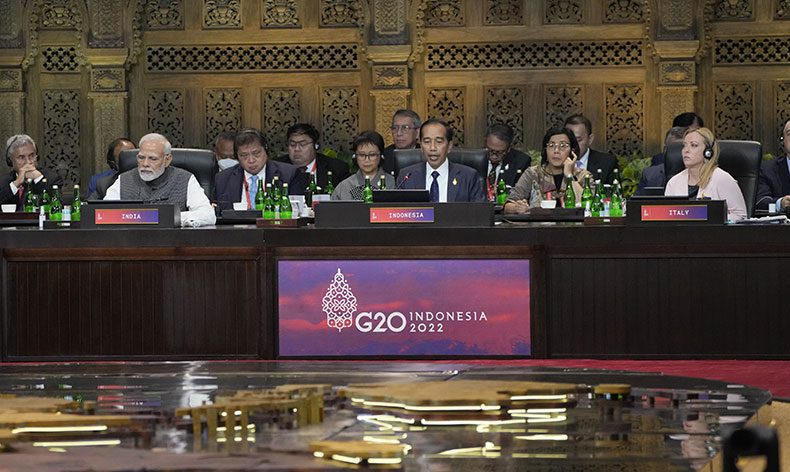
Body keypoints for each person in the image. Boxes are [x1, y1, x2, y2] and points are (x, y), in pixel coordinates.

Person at [104, 133, 216, 227]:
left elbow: (208, 215)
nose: (145, 164)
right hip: (131, 241)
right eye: (141, 158)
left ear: (167, 160)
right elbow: (104, 213)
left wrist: (166, 217)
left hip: (173, 242)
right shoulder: (124, 179)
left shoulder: (185, 179)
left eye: (152, 159)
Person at [664, 127, 747, 221]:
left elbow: (741, 216)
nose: (686, 150)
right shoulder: (674, 182)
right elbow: (667, 217)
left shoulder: (722, 179)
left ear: (708, 152)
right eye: (684, 145)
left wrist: (709, 217)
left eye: (693, 145)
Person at [395, 118, 484, 202]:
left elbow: (478, 211)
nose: (432, 148)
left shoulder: (469, 177)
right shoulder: (406, 177)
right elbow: (398, 210)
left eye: (439, 142)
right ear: (421, 146)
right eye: (427, 142)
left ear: (449, 146)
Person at [214, 128, 306, 210]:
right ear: (237, 157)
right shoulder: (223, 179)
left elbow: (297, 211)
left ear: (266, 150)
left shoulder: (288, 174)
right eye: (244, 155)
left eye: (256, 153)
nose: (251, 160)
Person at [503, 127, 587, 214]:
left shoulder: (583, 176)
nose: (556, 151)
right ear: (545, 150)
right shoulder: (533, 173)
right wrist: (517, 208)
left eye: (562, 146)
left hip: (573, 223)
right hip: (539, 223)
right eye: (551, 145)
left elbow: (589, 206)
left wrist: (569, 175)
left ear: (572, 152)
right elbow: (508, 205)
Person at [276, 123, 349, 192]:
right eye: (292, 144)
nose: (297, 149)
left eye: (303, 144)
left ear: (315, 145)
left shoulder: (337, 169)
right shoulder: (275, 167)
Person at [1, 134, 63, 209]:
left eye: (32, 156)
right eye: (21, 157)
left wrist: (39, 180)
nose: (28, 162)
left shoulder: (52, 179)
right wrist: (16, 183)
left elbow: (57, 207)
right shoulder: (4, 182)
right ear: (10, 161)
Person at [332, 131, 395, 200]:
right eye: (362, 155)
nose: (367, 160)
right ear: (355, 156)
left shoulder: (392, 183)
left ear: (381, 155)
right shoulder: (345, 186)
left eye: (372, 155)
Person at [564, 114, 618, 184]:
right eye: (568, 140)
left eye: (578, 140)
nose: (573, 144)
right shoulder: (557, 161)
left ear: (590, 139)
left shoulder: (607, 162)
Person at [484, 123, 530, 200]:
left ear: (508, 148)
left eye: (499, 152)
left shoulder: (521, 162)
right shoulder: (475, 160)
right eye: (491, 151)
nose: (494, 156)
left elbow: (521, 193)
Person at [635, 126, 686, 195]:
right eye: (674, 149)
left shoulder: (699, 175)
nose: (679, 153)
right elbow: (639, 201)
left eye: (683, 148)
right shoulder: (650, 176)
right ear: (665, 150)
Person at [755, 118, 790, 212]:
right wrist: (780, 203)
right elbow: (759, 201)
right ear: (783, 141)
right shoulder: (768, 170)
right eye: (789, 134)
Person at [382, 109, 421, 175]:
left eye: (405, 128)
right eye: (395, 128)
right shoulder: (384, 157)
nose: (399, 133)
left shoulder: (425, 155)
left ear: (417, 132)